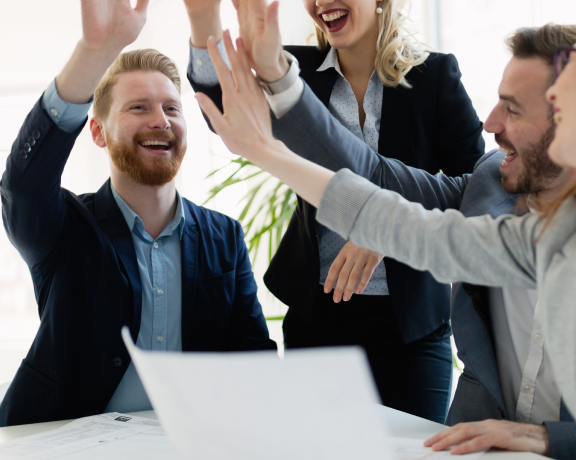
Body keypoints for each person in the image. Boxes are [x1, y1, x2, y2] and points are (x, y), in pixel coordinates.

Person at [196, 0, 576, 457]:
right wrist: (268, 149)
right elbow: (411, 227)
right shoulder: (568, 237)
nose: (492, 121)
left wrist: (549, 441)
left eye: (574, 66)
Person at [194, 3, 576, 455]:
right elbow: (375, 180)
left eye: (513, 109)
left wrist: (545, 439)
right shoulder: (487, 188)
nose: (490, 122)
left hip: (411, 327)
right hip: (329, 317)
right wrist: (268, 135)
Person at [182, 0, 484, 423]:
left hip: (411, 326)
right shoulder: (291, 71)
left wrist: (385, 230)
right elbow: (223, 107)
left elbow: (476, 191)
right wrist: (203, 17)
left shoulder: (435, 76)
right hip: (319, 318)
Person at [0, 0, 275, 429]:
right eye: (139, 107)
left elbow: (253, 364)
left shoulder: (224, 237)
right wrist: (95, 52)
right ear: (98, 132)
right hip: (67, 443)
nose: (161, 121)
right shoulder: (65, 228)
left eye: (172, 109)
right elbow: (24, 186)